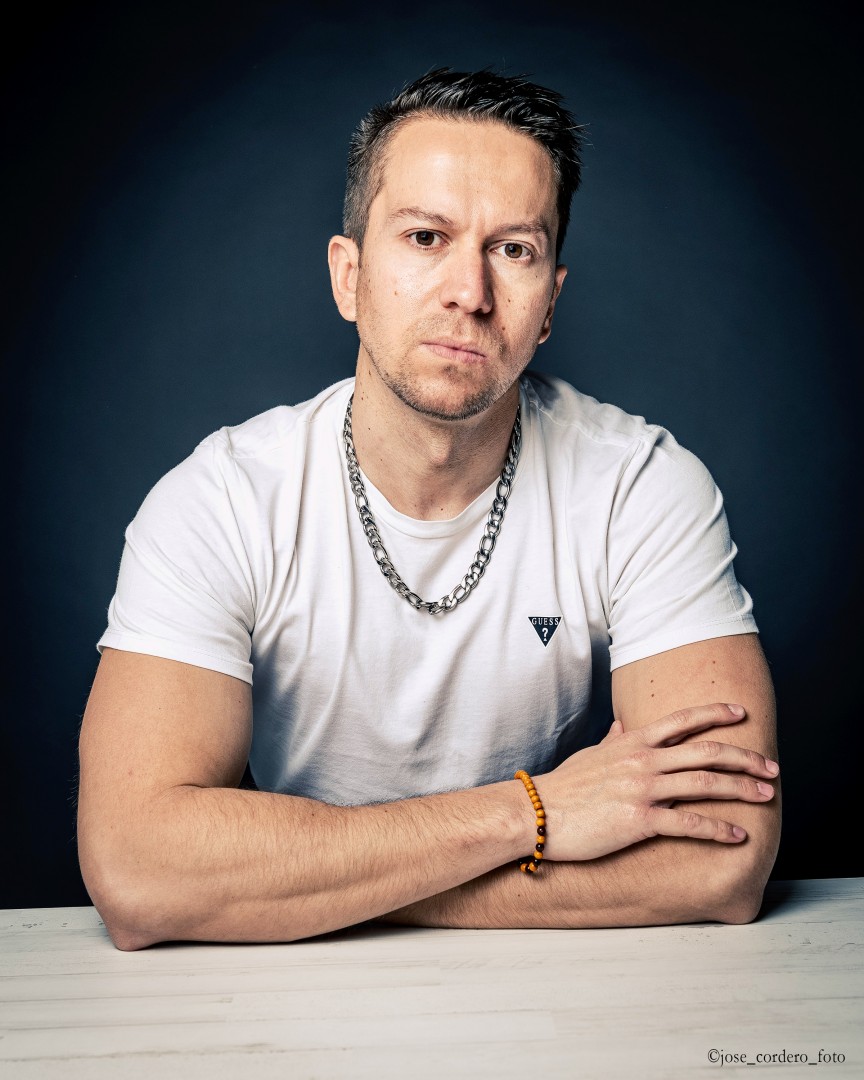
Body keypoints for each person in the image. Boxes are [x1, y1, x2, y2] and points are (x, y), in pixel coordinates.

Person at [78, 69, 780, 950]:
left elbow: (721, 860)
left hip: (554, 995)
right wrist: (531, 813)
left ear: (550, 304)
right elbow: (137, 870)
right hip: (281, 1003)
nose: (469, 292)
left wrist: (310, 890)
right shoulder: (221, 500)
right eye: (425, 237)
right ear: (349, 276)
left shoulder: (641, 485)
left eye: (513, 250)